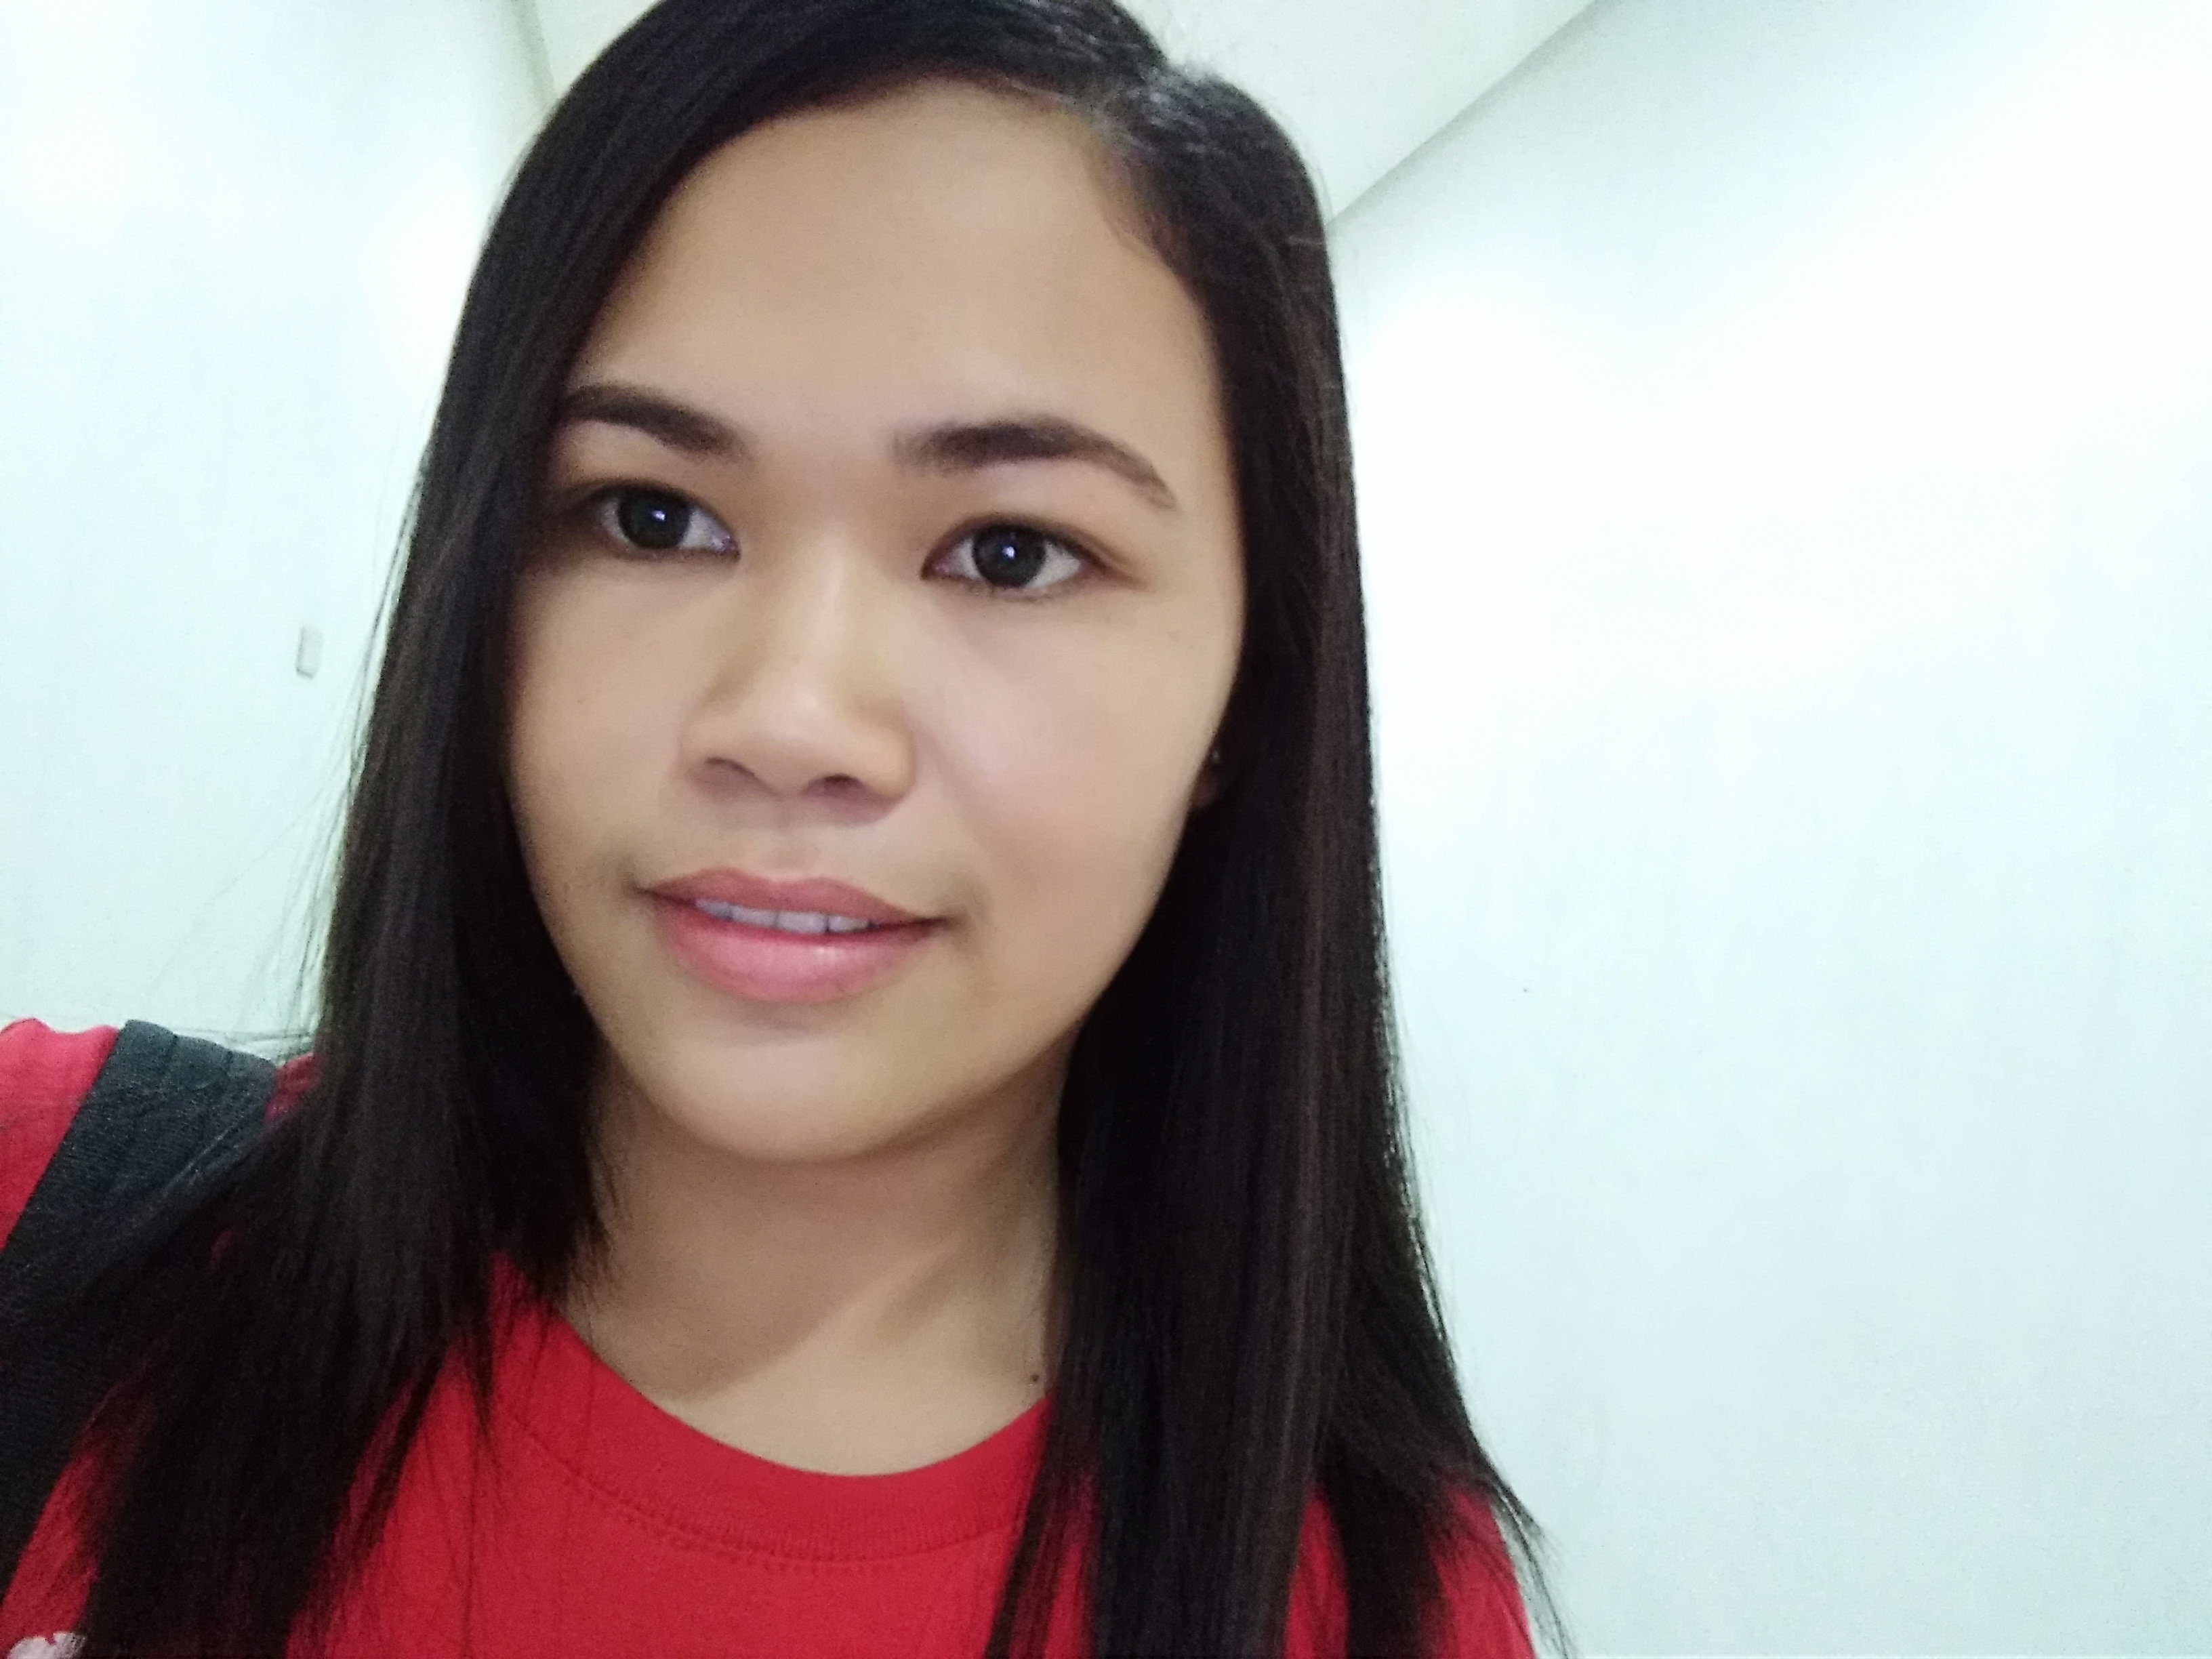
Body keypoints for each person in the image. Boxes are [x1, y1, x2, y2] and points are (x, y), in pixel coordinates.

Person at [0, 0, 1572, 1653]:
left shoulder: (1376, 1597)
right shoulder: (56, 1223)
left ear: (1247, 696)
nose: (791, 721)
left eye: (1012, 552)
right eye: (651, 517)